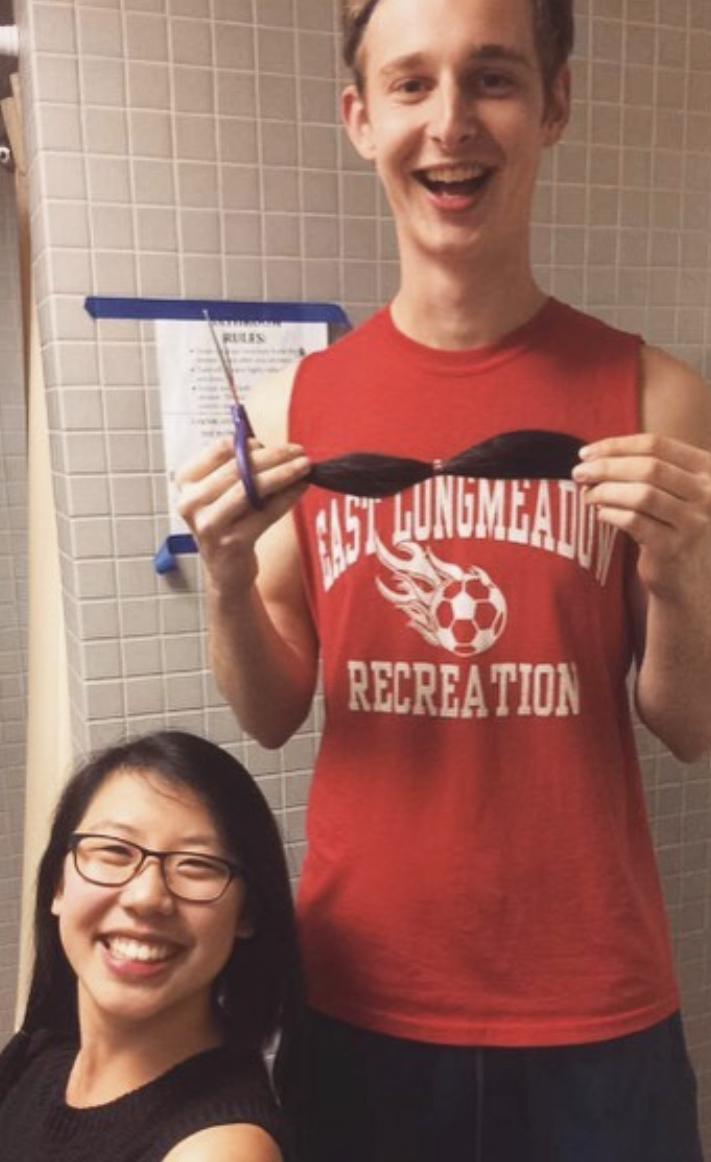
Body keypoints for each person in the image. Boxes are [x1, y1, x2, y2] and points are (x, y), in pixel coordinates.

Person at [176, 0, 711, 1158]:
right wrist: (223, 575)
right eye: (412, 84)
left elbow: (690, 725)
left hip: (594, 1005)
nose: (452, 121)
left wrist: (682, 575)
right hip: (361, 997)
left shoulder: (658, 399)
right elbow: (272, 711)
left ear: (555, 104)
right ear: (360, 117)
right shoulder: (293, 408)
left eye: (494, 78)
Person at [0, 731, 303, 1162]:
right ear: (58, 885)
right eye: (114, 851)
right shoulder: (45, 1054)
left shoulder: (219, 1150)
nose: (146, 897)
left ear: (247, 913)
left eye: (196, 865)